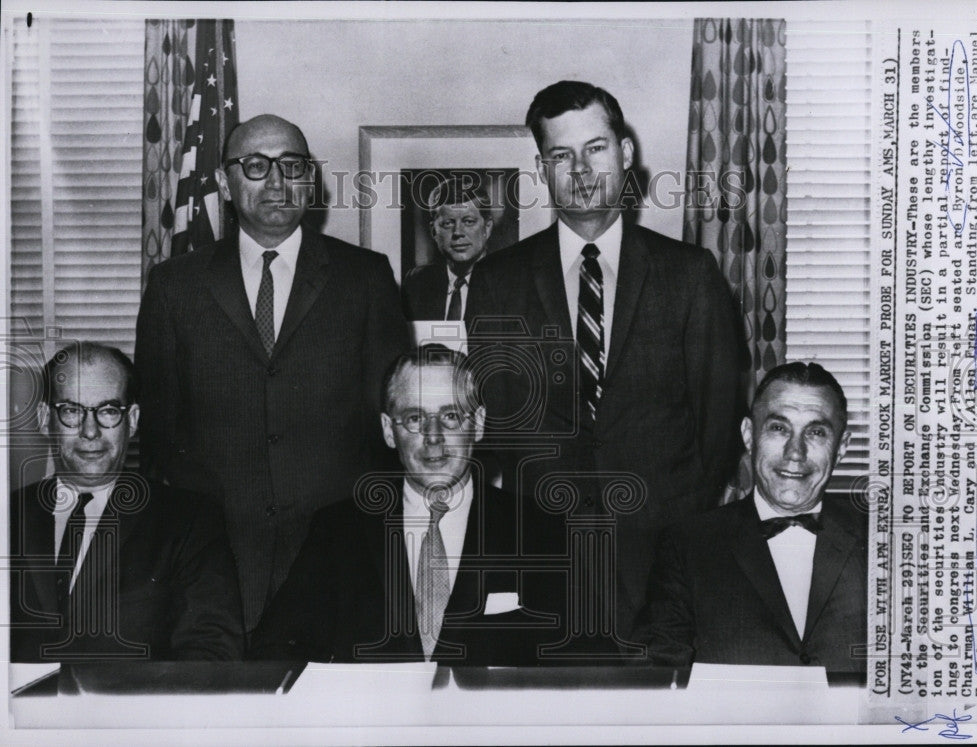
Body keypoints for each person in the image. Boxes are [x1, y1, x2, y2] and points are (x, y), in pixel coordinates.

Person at [464, 80, 743, 638]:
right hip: (543, 547)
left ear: (626, 154)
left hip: (663, 549)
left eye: (596, 148)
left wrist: (678, 513)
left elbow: (719, 423)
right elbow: (497, 423)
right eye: (561, 155)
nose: (582, 170)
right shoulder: (497, 280)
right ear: (542, 170)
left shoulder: (690, 275)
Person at [135, 114, 410, 632]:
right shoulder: (175, 288)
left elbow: (390, 431)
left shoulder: (366, 278)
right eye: (256, 166)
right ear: (224, 182)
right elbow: (158, 439)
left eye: (293, 166)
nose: (278, 183)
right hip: (212, 560)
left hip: (338, 556)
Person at [250, 345, 565, 665]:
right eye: (415, 418)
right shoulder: (338, 530)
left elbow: (588, 660)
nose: (433, 436)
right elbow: (274, 651)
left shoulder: (539, 529)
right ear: (389, 430)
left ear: (479, 423)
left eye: (451, 415)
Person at [8, 343, 243, 662]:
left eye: (107, 411)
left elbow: (212, 652)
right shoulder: (7, 515)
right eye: (72, 411)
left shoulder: (190, 521)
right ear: (44, 418)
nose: (90, 432)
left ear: (131, 420)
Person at [632, 362, 867, 674]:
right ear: (748, 435)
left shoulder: (882, 541)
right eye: (778, 428)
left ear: (841, 449)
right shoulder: (687, 546)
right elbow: (657, 678)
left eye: (816, 432)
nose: (794, 452)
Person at [401, 177, 494, 322]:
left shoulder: (512, 284)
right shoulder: (417, 283)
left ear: (487, 228)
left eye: (468, 222)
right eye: (448, 223)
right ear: (433, 231)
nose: (458, 232)